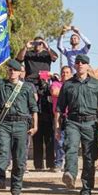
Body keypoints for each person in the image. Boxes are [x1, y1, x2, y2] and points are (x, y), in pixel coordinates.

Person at [54, 54, 98, 195]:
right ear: (75, 65)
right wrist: (57, 127)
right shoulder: (68, 84)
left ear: (88, 66)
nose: (80, 64)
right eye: (77, 62)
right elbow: (59, 108)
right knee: (71, 148)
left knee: (89, 159)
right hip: (72, 121)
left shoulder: (96, 84)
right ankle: (70, 175)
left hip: (91, 124)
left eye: (83, 63)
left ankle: (86, 193)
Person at [0, 59, 38, 195]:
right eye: (10, 70)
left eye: (14, 70)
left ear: (19, 72)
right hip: (4, 123)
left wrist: (35, 126)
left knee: (19, 159)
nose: (12, 72)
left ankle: (16, 189)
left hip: (21, 125)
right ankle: (0, 176)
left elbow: (34, 108)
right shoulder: (1, 84)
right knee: (3, 151)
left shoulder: (27, 87)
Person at [17, 37, 57, 171]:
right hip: (31, 85)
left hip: (45, 88)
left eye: (40, 43)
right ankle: (38, 165)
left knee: (49, 135)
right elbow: (19, 58)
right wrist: (26, 46)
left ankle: (51, 164)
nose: (38, 45)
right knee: (37, 135)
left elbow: (55, 57)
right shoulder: (28, 54)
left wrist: (47, 46)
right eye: (36, 43)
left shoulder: (46, 54)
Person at [51, 66, 72, 171]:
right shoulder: (56, 83)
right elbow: (54, 92)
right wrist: (69, 92)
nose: (65, 74)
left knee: (70, 142)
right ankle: (58, 163)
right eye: (63, 72)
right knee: (59, 140)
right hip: (59, 116)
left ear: (71, 74)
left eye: (67, 72)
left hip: (71, 116)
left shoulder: (74, 84)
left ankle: (69, 164)